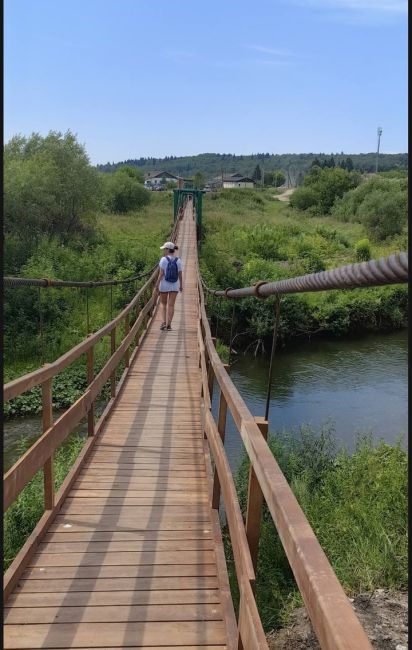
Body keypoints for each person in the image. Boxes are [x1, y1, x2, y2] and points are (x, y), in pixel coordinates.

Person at [155, 241, 183, 331]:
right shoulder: (178, 260)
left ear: (167, 250)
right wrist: (181, 285)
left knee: (163, 304)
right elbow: (180, 275)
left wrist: (156, 285)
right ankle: (169, 325)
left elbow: (161, 274)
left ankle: (163, 322)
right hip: (174, 286)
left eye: (164, 249)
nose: (163, 251)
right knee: (171, 305)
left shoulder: (163, 260)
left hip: (164, 285)